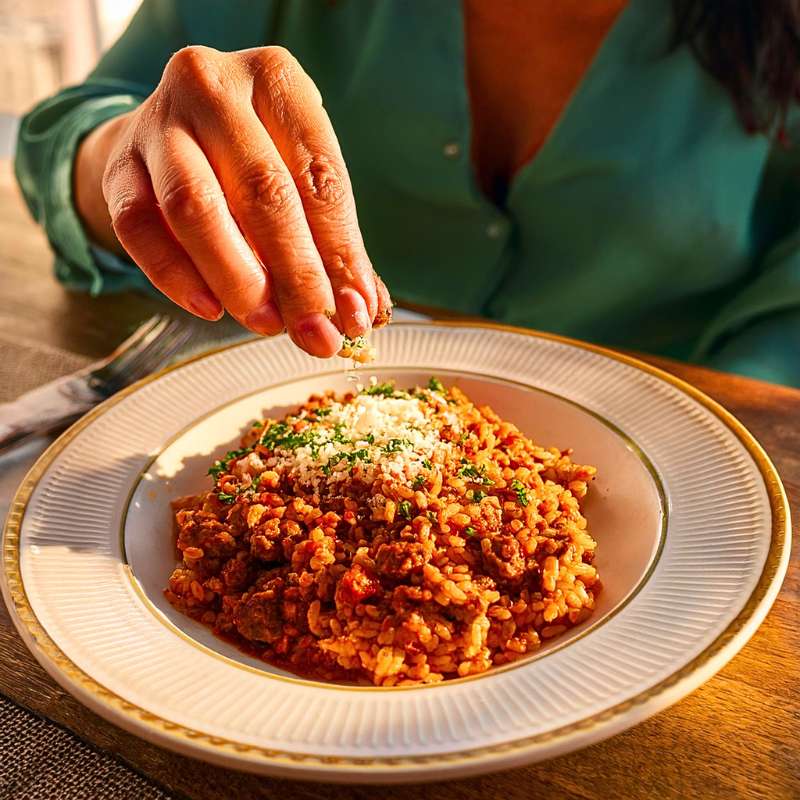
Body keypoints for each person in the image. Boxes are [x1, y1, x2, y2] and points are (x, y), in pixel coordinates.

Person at [14, 0, 800, 385]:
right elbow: (73, 132)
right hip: (269, 397)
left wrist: (715, 423)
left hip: (677, 480)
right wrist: (134, 163)